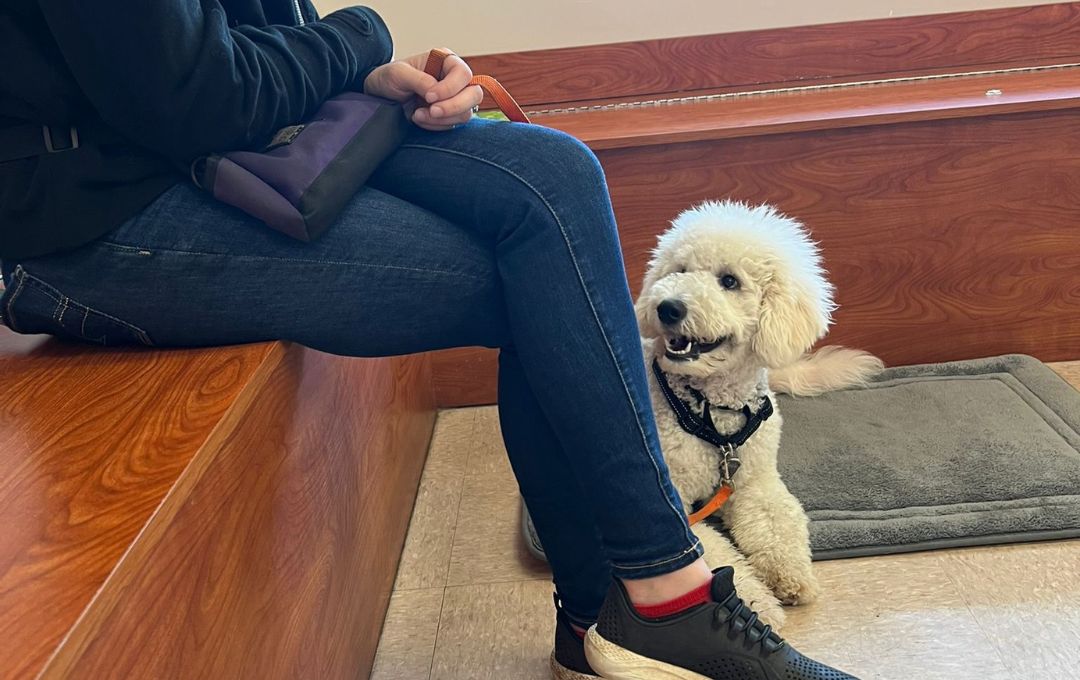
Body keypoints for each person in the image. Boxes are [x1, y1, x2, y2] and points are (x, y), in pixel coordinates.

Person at [0, 3, 857, 678]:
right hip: (84, 210)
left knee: (556, 171)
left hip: (223, 143)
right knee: (537, 283)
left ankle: (619, 606)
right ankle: (652, 597)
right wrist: (360, 33)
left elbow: (228, 51)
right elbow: (188, 94)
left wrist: (372, 73)